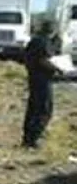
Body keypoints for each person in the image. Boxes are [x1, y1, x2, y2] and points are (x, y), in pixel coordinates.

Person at [22, 20, 63, 149]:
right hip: (42, 80)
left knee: (33, 108)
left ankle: (27, 137)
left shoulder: (34, 41)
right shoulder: (43, 42)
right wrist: (58, 69)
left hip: (33, 78)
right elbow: (43, 60)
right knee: (44, 109)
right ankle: (34, 138)